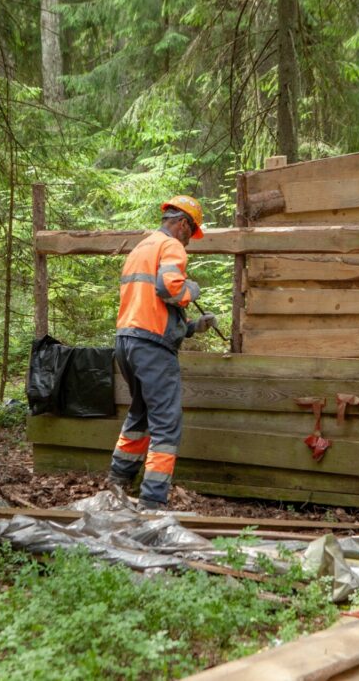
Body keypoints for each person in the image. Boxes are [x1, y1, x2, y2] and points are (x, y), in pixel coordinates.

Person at [106, 195, 217, 510]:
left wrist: (194, 327)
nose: (189, 242)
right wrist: (190, 290)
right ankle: (152, 503)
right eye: (190, 232)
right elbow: (169, 290)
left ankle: (117, 481)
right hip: (151, 348)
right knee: (166, 422)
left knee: (140, 413)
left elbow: (150, 310)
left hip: (128, 342)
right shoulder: (171, 246)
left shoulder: (141, 247)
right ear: (182, 223)